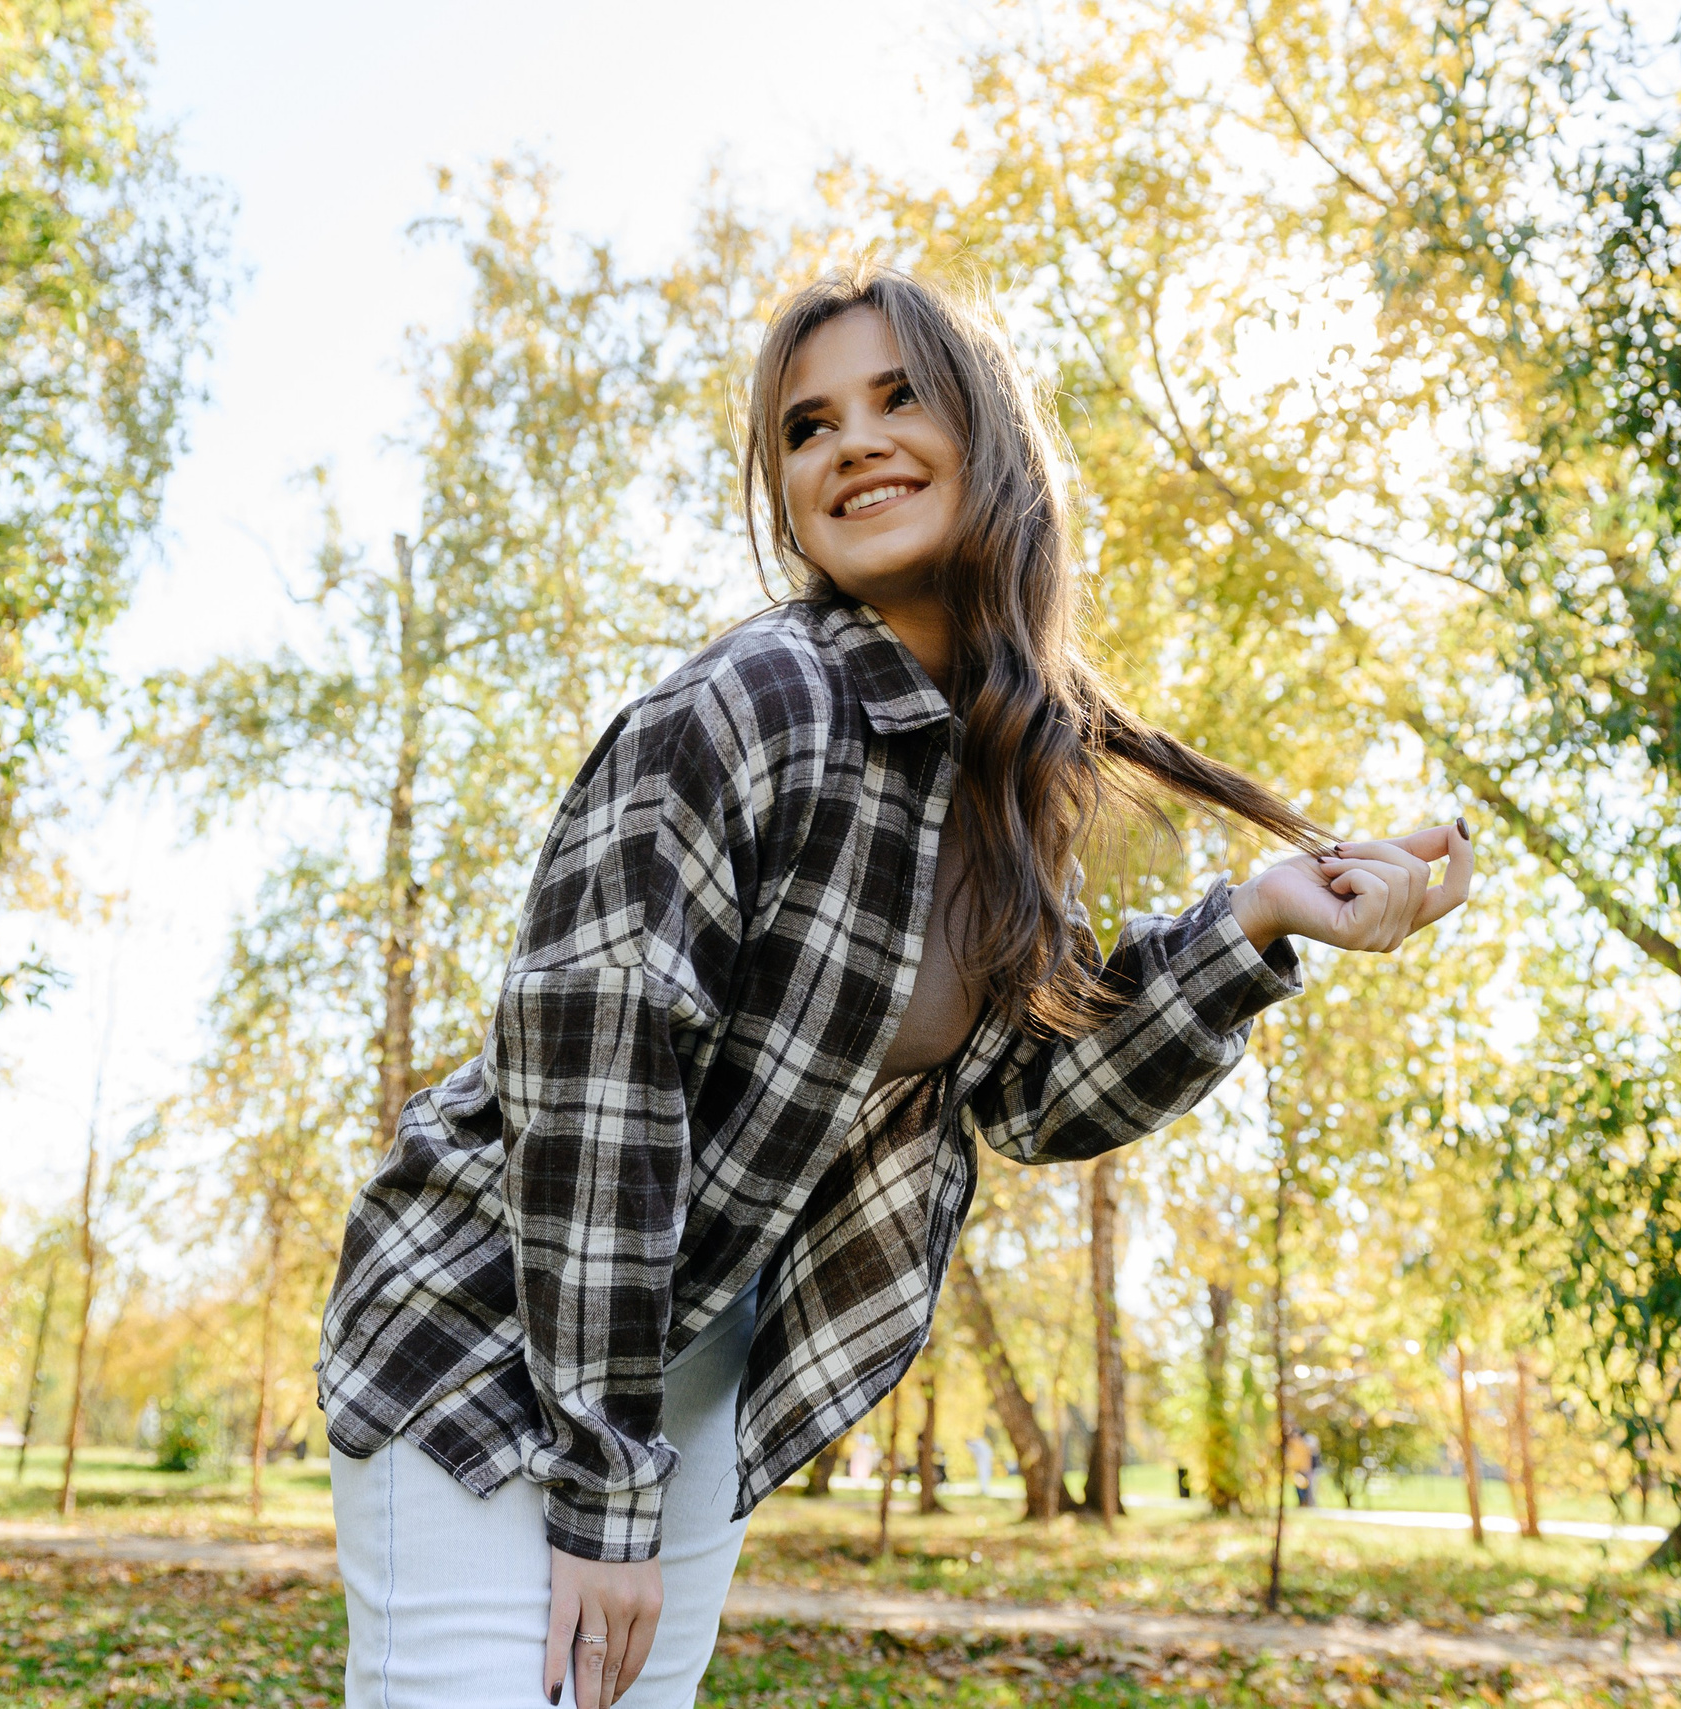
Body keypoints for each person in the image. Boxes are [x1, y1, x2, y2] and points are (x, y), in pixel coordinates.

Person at [314, 264, 1474, 1709]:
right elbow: (598, 1065)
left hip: (687, 1359)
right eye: (807, 426)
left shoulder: (998, 781)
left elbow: (1033, 1099)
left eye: (898, 397)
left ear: (988, 433)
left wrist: (1253, 921)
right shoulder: (754, 704)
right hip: (502, 1337)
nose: (851, 442)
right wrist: (605, 1479)